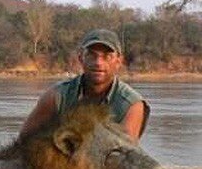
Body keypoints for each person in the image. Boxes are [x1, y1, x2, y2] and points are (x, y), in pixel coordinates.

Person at [19, 29, 150, 142]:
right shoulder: (56, 97)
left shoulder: (132, 105)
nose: (98, 62)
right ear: (81, 58)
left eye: (107, 56)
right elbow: (24, 139)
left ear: (119, 61)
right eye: (92, 55)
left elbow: (125, 158)